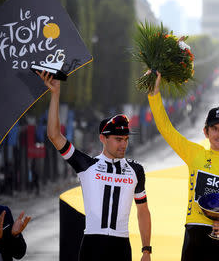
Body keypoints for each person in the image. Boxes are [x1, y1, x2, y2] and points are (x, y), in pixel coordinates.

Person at [38, 71, 152, 261]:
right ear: (102, 138)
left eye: (125, 139)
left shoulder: (136, 170)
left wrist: (146, 250)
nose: (123, 144)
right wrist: (55, 94)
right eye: (117, 139)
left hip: (121, 247)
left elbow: (143, 211)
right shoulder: (86, 165)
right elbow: (54, 135)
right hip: (92, 246)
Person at [148, 72, 219, 261]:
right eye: (214, 128)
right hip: (194, 235)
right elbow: (166, 129)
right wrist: (154, 95)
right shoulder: (195, 154)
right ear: (205, 132)